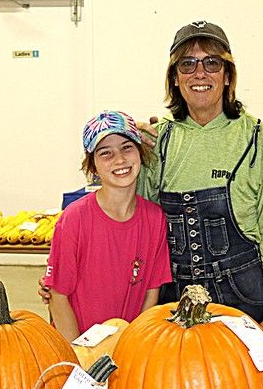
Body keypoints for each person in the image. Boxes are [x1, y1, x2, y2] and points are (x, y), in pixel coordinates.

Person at [137, 20, 263, 329]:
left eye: (212, 62)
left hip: (243, 298)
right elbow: (138, 228)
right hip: (174, 300)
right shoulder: (157, 141)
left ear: (228, 75)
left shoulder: (262, 139)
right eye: (187, 64)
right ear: (175, 79)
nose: (200, 73)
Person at [43, 111, 172, 341]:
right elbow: (57, 295)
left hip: (128, 347)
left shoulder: (155, 219)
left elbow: (151, 293)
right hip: (78, 346)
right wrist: (79, 357)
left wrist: (134, 346)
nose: (120, 160)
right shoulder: (74, 219)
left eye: (127, 147)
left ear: (140, 153)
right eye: (106, 153)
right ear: (92, 166)